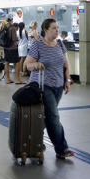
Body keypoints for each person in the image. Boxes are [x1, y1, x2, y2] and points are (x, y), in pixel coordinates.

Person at [24, 17, 74, 160]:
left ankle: (35, 138)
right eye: (54, 28)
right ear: (46, 30)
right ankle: (62, 148)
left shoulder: (59, 43)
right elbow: (27, 65)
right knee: (53, 115)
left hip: (58, 85)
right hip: (42, 85)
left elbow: (65, 63)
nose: (57, 30)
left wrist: (68, 80)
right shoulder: (37, 45)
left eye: (57, 28)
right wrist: (37, 65)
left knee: (47, 116)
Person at [2, 15, 20, 84]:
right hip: (12, 47)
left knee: (7, 62)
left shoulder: (4, 27)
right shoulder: (12, 27)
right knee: (17, 62)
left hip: (6, 47)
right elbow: (14, 38)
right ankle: (18, 79)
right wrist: (17, 39)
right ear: (11, 20)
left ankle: (8, 79)